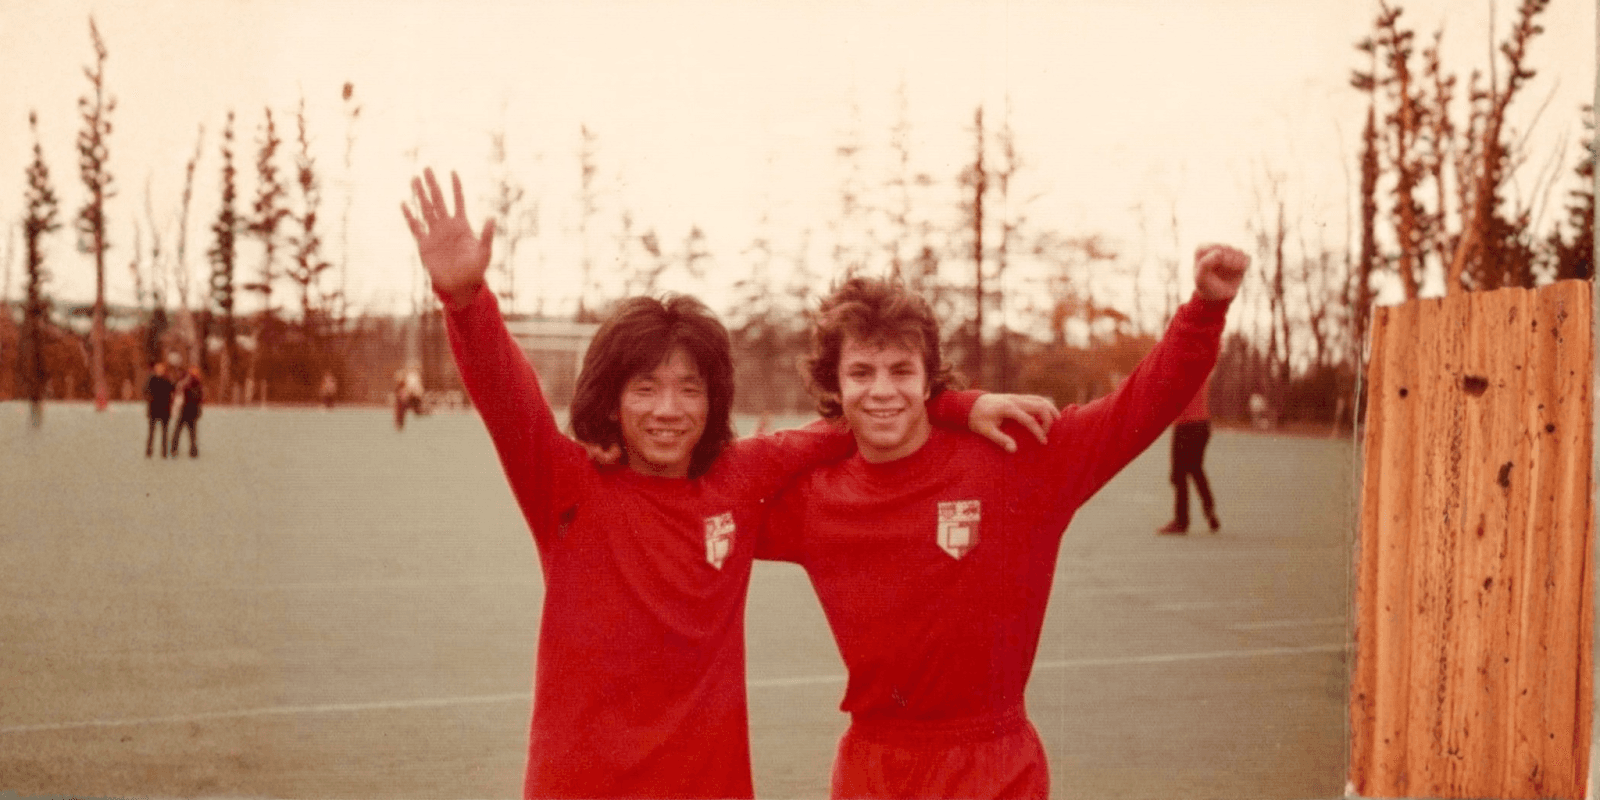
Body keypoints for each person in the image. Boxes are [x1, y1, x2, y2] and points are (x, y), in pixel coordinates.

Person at [400, 167, 1056, 800]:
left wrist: (955, 404)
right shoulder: (569, 490)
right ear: (612, 397)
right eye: (646, 387)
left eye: (691, 388)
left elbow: (864, 416)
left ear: (715, 400)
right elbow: (507, 398)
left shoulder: (738, 481)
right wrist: (466, 301)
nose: (668, 408)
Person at [758, 244, 1247, 799]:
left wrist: (1204, 310)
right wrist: (947, 407)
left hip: (993, 766)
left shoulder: (1018, 461)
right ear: (835, 384)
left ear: (928, 379)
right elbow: (720, 486)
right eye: (860, 373)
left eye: (901, 370)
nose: (882, 390)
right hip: (873, 771)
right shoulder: (814, 501)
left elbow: (1139, 406)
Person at [1158, 370, 1220, 535]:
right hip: (1203, 424)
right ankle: (1209, 509)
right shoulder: (1202, 368)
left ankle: (1181, 521)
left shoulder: (1180, 370)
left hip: (1185, 425)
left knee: (1179, 474)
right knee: (1196, 468)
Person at [143, 362, 176, 458]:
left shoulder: (166, 379)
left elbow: (173, 388)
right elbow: (146, 391)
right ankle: (150, 451)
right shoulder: (153, 379)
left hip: (163, 410)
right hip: (155, 409)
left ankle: (163, 452)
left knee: (163, 433)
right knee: (152, 432)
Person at [170, 367, 204, 458]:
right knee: (192, 433)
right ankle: (193, 451)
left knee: (178, 431)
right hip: (192, 412)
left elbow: (181, 395)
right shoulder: (198, 385)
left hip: (186, 411)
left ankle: (174, 449)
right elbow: (200, 399)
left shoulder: (187, 384)